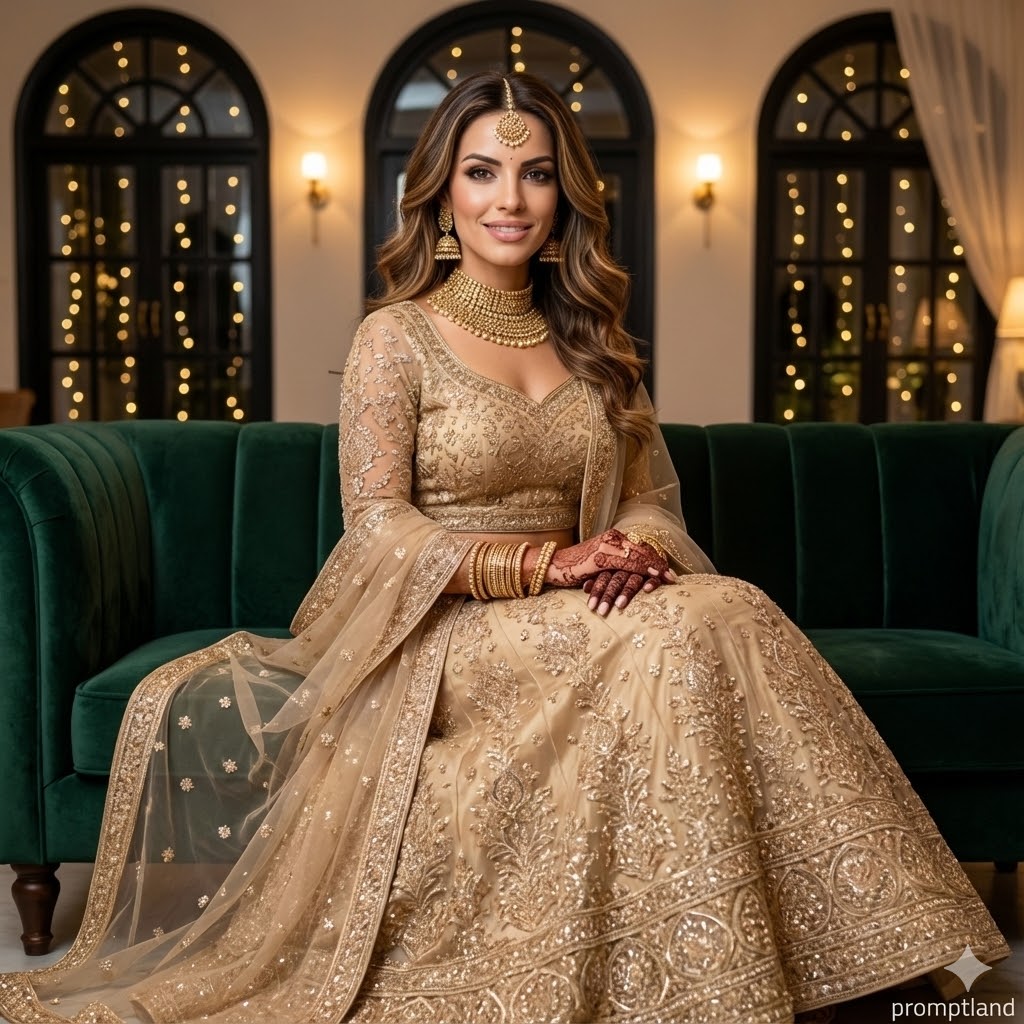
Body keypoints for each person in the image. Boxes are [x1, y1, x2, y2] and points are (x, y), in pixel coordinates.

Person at [0, 70, 1008, 1024]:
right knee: (679, 636)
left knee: (725, 607)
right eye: (482, 171)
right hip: (445, 632)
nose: (509, 199)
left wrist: (631, 545)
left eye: (535, 174)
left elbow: (650, 495)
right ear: (443, 195)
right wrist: (543, 564)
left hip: (588, 607)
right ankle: (821, 963)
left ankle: (854, 949)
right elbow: (377, 526)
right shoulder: (395, 339)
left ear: (566, 198)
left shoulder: (596, 342)